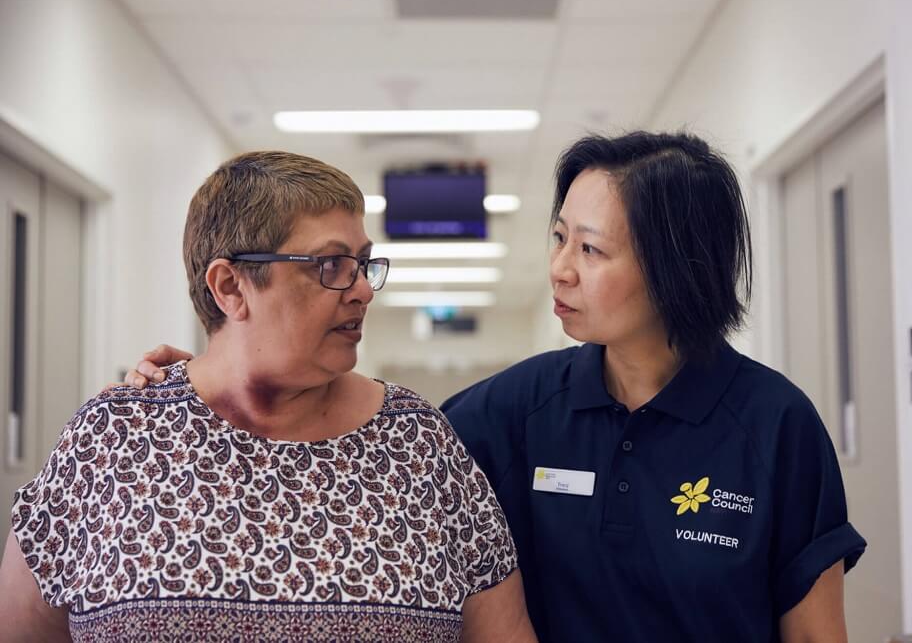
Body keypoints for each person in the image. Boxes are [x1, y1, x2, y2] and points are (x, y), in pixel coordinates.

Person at [123, 132, 865, 642]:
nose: (561, 268)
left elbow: (814, 632)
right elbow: (353, 449)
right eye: (558, 237)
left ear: (680, 267)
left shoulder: (775, 426)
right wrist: (200, 387)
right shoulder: (509, 412)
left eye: (592, 249)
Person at [0, 151, 536, 642]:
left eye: (363, 263)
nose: (363, 289)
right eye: (332, 265)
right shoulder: (115, 437)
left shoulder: (418, 443)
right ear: (230, 287)